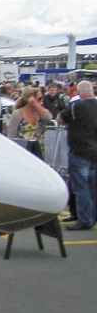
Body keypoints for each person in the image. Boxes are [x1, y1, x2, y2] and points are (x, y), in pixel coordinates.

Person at [59, 80, 97, 231]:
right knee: (93, 187)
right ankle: (91, 217)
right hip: (95, 151)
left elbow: (60, 119)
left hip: (80, 150)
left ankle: (85, 219)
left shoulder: (77, 106)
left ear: (79, 93)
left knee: (81, 188)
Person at [5, 86, 55, 158]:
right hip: (23, 150)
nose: (42, 100)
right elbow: (11, 135)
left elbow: (48, 118)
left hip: (39, 149)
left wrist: (36, 105)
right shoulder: (18, 113)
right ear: (31, 99)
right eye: (39, 98)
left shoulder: (40, 112)